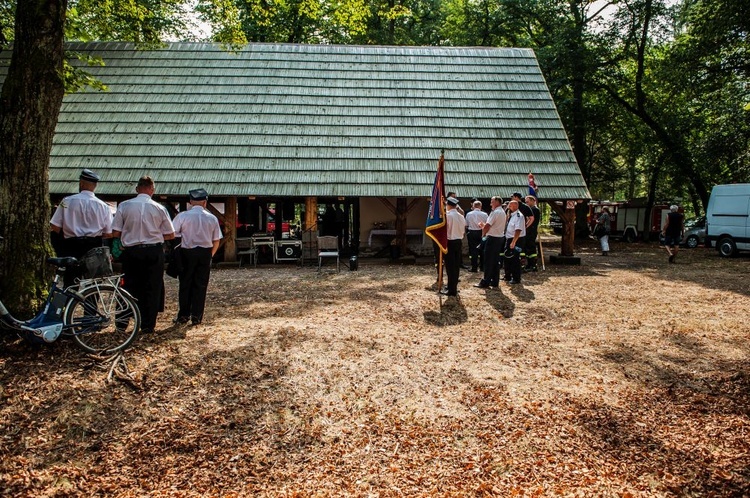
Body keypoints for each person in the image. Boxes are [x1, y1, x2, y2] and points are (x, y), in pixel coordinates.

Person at [112, 176, 175, 334]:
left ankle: (122, 322)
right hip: (153, 250)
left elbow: (115, 232)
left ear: (137, 189)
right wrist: (156, 234)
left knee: (128, 285)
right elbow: (171, 234)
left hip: (132, 251)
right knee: (152, 286)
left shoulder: (124, 206)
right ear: (152, 190)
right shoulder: (159, 208)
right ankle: (147, 324)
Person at [50, 168, 113, 286]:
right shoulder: (104, 206)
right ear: (95, 186)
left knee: (70, 282)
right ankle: (91, 303)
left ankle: (69, 303)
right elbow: (109, 232)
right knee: (94, 282)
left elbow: (55, 226)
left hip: (71, 245)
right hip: (93, 246)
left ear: (81, 183)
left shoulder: (66, 201)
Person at [172, 189, 223, 325]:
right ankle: (197, 316)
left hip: (187, 252)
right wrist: (210, 255)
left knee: (185, 284)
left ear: (190, 202)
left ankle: (183, 315)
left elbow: (173, 234)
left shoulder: (182, 216)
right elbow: (216, 240)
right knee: (201, 285)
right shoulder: (212, 218)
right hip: (205, 252)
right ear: (205, 202)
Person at [474, 196, 506, 289]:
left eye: (492, 202)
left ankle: (486, 281)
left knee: (488, 260)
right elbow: (494, 226)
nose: (490, 204)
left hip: (492, 238)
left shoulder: (495, 212)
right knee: (495, 261)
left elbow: (488, 225)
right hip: (499, 237)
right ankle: (494, 281)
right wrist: (484, 226)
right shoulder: (502, 212)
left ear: (497, 202)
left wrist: (483, 233)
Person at [442, 196, 466, 296]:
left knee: (450, 266)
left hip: (450, 242)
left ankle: (452, 290)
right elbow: (463, 230)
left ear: (448, 205)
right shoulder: (461, 216)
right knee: (455, 266)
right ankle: (452, 286)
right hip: (458, 241)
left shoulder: (447, 216)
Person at [503, 199, 526, 284]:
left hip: (516, 239)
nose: (508, 207)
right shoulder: (511, 215)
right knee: (507, 258)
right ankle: (508, 275)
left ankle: (516, 278)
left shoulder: (518, 216)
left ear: (515, 206)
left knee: (515, 258)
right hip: (509, 238)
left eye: (510, 205)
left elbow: (518, 230)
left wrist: (514, 242)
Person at [465, 200, 488, 273]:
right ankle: (482, 267)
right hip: (482, 232)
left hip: (472, 232)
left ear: (473, 206)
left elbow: (466, 224)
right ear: (480, 206)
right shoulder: (485, 214)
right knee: (482, 250)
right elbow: (487, 225)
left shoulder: (469, 214)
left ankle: (474, 267)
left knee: (473, 250)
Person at [524, 195, 541, 271]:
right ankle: (529, 264)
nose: (526, 203)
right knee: (527, 248)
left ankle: (533, 265)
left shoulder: (534, 210)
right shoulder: (531, 209)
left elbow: (530, 219)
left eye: (527, 202)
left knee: (531, 248)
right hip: (528, 231)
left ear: (532, 201)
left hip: (531, 231)